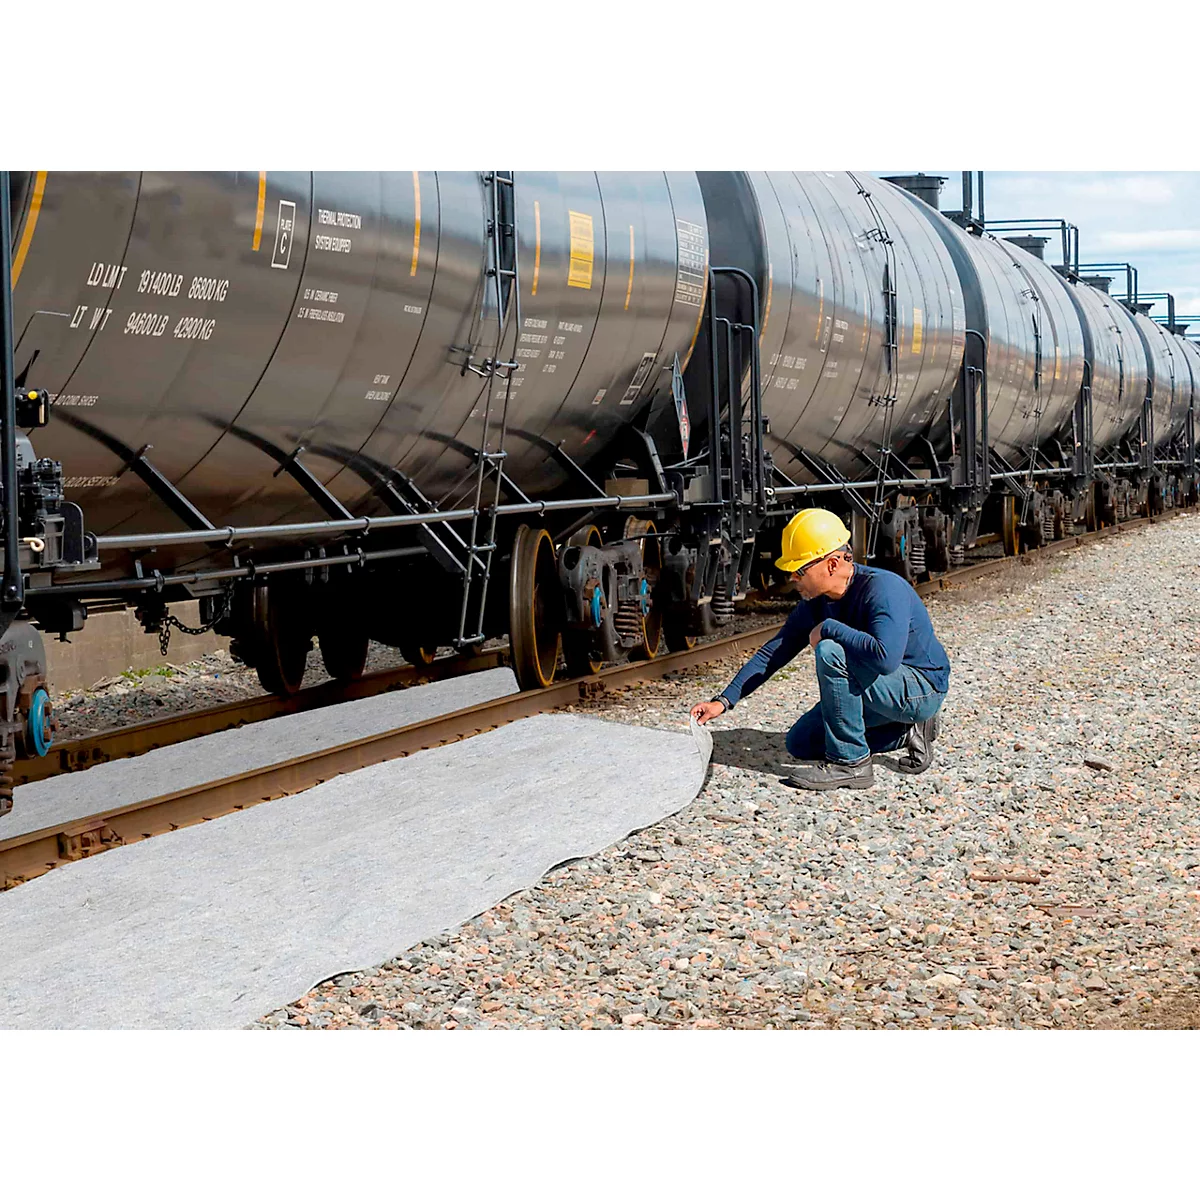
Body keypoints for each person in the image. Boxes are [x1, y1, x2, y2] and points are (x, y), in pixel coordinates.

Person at [690, 508, 950, 791]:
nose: (791, 577)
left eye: (798, 570)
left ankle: (851, 764)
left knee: (830, 650)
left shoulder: (883, 589)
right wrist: (723, 701)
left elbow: (886, 659)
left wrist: (830, 628)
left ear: (831, 564)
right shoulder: (816, 602)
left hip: (921, 688)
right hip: (879, 689)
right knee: (801, 742)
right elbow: (774, 652)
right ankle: (907, 730)